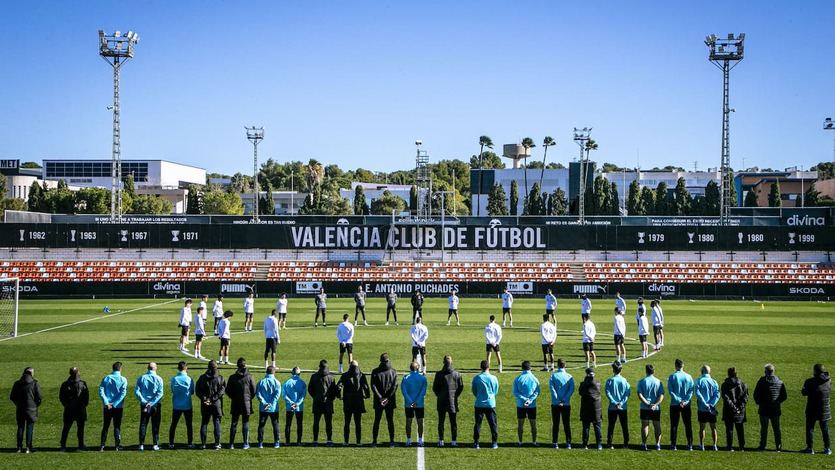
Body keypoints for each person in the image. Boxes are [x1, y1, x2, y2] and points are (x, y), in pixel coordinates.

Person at [753, 363, 787, 452]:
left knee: (764, 429)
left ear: (766, 372)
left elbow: (756, 394)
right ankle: (778, 446)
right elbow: (784, 396)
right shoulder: (780, 382)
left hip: (764, 409)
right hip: (775, 409)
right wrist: (777, 402)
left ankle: (762, 445)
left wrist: (759, 402)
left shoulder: (762, 381)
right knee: (776, 429)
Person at [433, 355, 464, 447]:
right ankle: (454, 441)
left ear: (443, 362)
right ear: (451, 362)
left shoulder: (438, 374)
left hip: (441, 401)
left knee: (441, 422)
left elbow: (435, 388)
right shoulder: (457, 374)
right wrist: (455, 396)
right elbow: (460, 387)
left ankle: (441, 440)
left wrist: (440, 395)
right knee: (453, 422)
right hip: (452, 401)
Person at [801, 363, 831, 455]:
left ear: (815, 371)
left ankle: (810, 448)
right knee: (825, 430)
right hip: (824, 409)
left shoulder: (809, 381)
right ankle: (827, 448)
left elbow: (804, 393)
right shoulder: (828, 380)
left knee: (810, 429)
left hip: (812, 409)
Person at [226, 357, 256, 449]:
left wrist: (233, 397)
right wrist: (249, 398)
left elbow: (227, 390)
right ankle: (245, 443)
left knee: (234, 423)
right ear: (245, 365)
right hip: (246, 402)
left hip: (235, 402)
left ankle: (231, 444)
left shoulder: (232, 377)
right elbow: (254, 390)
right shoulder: (250, 377)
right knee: (245, 423)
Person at [338, 360, 370, 446]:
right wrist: (367, 395)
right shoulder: (361, 375)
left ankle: (346, 441)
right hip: (358, 402)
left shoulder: (345, 375)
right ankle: (358, 442)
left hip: (347, 402)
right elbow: (366, 387)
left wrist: (339, 396)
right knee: (358, 423)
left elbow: (339, 386)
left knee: (347, 422)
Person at [10, 367, 42, 453]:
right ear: (31, 373)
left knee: (20, 427)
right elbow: (39, 397)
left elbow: (12, 397)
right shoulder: (35, 383)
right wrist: (35, 405)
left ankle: (19, 447)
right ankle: (28, 447)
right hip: (31, 409)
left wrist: (18, 404)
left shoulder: (17, 383)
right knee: (29, 428)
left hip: (20, 409)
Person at [135, 362, 164, 451]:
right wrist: (151, 403)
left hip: (144, 405)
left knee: (143, 424)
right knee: (155, 424)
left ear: (148, 368)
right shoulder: (159, 378)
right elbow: (160, 393)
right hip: (155, 405)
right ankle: (155, 444)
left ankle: (141, 444)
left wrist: (144, 401)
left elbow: (137, 391)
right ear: (155, 368)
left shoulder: (142, 378)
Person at [196, 360, 225, 450]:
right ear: (216, 367)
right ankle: (217, 443)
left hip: (205, 404)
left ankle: (203, 444)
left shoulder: (202, 378)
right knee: (216, 423)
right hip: (216, 404)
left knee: (204, 422)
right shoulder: (220, 378)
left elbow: (198, 391)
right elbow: (221, 391)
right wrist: (213, 399)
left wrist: (205, 399)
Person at [99, 362, 127, 451]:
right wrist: (114, 403)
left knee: (106, 426)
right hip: (118, 407)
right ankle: (117, 446)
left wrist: (107, 402)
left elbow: (101, 391)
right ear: (120, 369)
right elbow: (123, 394)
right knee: (117, 426)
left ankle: (102, 445)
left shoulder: (106, 378)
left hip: (107, 407)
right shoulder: (123, 379)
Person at [371, 353, 398, 447]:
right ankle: (392, 441)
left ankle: (374, 441)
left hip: (379, 401)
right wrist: (387, 398)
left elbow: (373, 386)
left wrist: (380, 398)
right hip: (389, 401)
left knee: (377, 421)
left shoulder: (375, 371)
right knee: (390, 421)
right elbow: (394, 387)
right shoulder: (393, 371)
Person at [667, 358, 695, 451]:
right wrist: (685, 401)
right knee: (688, 424)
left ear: (675, 366)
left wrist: (679, 400)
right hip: (686, 404)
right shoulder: (689, 377)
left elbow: (671, 391)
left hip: (675, 404)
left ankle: (673, 445)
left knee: (674, 425)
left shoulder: (672, 376)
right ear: (683, 365)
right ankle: (690, 444)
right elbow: (691, 390)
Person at [59, 367, 89, 451]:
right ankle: (81, 445)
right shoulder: (83, 383)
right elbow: (86, 397)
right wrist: (84, 405)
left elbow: (61, 397)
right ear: (78, 373)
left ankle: (63, 445)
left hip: (69, 409)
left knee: (66, 428)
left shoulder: (65, 384)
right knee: (80, 429)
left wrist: (66, 405)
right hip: (80, 409)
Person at [309, 359, 338, 446]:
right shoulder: (331, 377)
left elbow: (310, 389)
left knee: (316, 422)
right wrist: (331, 398)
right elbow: (334, 390)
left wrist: (315, 396)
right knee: (328, 422)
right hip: (328, 402)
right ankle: (329, 440)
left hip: (317, 401)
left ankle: (315, 440)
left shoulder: (314, 376)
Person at [472, 359, 500, 449]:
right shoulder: (494, 378)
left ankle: (476, 443)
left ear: (481, 367)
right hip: (490, 403)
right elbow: (496, 390)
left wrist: (479, 396)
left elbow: (474, 390)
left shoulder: (476, 378)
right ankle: (494, 443)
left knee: (478, 424)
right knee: (493, 424)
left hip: (479, 403)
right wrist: (491, 397)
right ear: (489, 367)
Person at [513, 361, 541, 446]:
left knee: (520, 424)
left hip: (521, 405)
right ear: (530, 368)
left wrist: (524, 399)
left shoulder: (518, 378)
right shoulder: (534, 378)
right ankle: (534, 442)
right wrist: (529, 400)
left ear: (522, 368)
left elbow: (515, 392)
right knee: (533, 424)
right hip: (532, 405)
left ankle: (520, 442)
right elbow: (537, 392)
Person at [638, 364, 665, 451]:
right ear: (654, 371)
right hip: (655, 408)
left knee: (645, 426)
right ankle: (657, 444)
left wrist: (647, 404)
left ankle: (644, 444)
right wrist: (655, 405)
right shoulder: (658, 382)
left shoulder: (642, 381)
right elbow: (661, 395)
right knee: (657, 425)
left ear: (646, 371)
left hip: (645, 408)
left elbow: (640, 395)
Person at [168, 361, 195, 449]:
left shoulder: (174, 379)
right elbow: (192, 392)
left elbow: (172, 390)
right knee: (189, 424)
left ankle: (171, 443)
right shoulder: (189, 379)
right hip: (187, 405)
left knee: (174, 424)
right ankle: (190, 443)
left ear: (178, 368)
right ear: (186, 368)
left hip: (176, 405)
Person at [721, 367, 748, 452]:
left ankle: (729, 446)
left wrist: (733, 407)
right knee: (740, 429)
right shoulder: (743, 384)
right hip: (740, 411)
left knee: (729, 429)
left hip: (729, 410)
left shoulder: (725, 384)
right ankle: (741, 447)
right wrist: (739, 407)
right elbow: (745, 397)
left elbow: (726, 398)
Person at [549, 358, 575, 449]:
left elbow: (552, 390)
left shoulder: (553, 376)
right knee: (566, 423)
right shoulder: (569, 376)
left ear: (557, 365)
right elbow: (571, 390)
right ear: (565, 365)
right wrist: (564, 399)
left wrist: (558, 399)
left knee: (555, 423)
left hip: (555, 403)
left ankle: (555, 442)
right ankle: (568, 443)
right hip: (566, 404)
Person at [402, 361, 428, 447]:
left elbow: (404, 392)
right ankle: (420, 440)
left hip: (408, 404)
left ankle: (409, 440)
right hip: (419, 404)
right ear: (418, 368)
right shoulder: (423, 378)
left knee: (408, 421)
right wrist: (416, 402)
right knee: (420, 422)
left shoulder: (405, 378)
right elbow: (423, 392)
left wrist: (411, 402)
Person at [605, 361, 631, 449]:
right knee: (624, 425)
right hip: (623, 407)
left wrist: (614, 402)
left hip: (612, 407)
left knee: (611, 425)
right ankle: (626, 443)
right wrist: (621, 403)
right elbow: (627, 393)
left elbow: (607, 393)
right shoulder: (624, 380)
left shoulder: (610, 380)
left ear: (613, 370)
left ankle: (609, 443)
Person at [256, 365, 282, 449]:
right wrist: (271, 404)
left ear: (266, 372)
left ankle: (260, 442)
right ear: (274, 372)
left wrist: (264, 403)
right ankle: (276, 442)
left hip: (263, 408)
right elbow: (277, 395)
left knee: (261, 425)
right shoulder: (277, 382)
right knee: (275, 425)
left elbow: (258, 394)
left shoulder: (261, 382)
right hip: (273, 408)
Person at [695, 364, 720, 451]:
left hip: (702, 408)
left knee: (702, 428)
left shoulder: (699, 381)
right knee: (713, 428)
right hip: (711, 409)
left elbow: (698, 394)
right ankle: (715, 445)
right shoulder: (714, 382)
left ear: (702, 371)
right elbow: (717, 395)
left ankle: (702, 445)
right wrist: (711, 404)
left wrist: (705, 404)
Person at [579, 367, 603, 450]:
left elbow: (580, 392)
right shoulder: (597, 383)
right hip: (596, 408)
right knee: (597, 426)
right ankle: (599, 444)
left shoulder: (583, 384)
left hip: (586, 408)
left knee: (586, 427)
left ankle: (585, 444)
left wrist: (585, 380)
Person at [282, 366, 307, 446]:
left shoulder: (287, 383)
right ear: (299, 373)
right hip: (299, 407)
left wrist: (291, 403)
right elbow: (303, 396)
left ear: (292, 373)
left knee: (288, 424)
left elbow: (284, 395)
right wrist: (297, 404)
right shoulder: (303, 383)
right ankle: (299, 441)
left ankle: (287, 441)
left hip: (289, 407)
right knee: (299, 424)